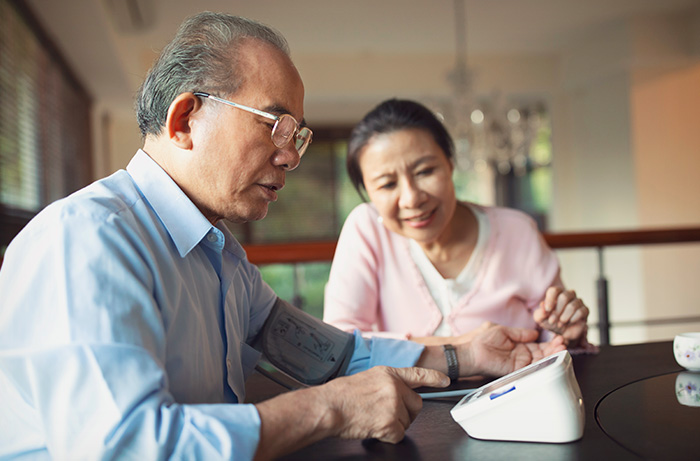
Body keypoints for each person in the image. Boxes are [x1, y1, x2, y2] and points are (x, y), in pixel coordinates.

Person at [0, 13, 565, 460]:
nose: (293, 155)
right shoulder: (88, 241)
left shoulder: (221, 260)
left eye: (298, 133)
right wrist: (328, 410)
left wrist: (465, 356)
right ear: (183, 121)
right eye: (275, 126)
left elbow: (329, 357)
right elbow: (125, 448)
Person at [324, 98, 594, 350]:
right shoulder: (367, 229)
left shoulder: (517, 231)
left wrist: (567, 333)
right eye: (387, 184)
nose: (412, 198)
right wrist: (462, 348)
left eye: (425, 171)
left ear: (450, 165)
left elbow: (551, 338)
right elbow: (340, 343)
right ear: (368, 193)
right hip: (412, 400)